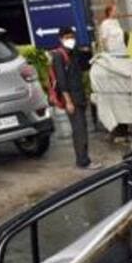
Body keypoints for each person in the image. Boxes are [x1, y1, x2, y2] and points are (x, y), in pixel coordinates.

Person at [49, 27, 93, 168]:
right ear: (61, 39)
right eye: (67, 37)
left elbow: (83, 68)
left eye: (72, 37)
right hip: (71, 99)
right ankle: (82, 161)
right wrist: (68, 102)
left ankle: (84, 158)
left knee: (82, 128)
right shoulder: (58, 56)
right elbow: (62, 82)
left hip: (79, 96)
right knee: (79, 129)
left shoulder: (73, 53)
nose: (70, 40)